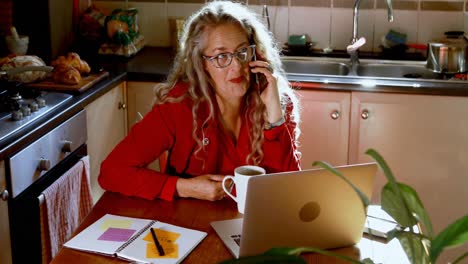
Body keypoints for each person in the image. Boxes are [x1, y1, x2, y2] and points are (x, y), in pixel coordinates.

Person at [98, 0, 301, 202]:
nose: (237, 67)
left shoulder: (274, 101)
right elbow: (112, 172)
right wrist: (183, 187)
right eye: (221, 56)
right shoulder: (178, 105)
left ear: (255, 53)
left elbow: (289, 188)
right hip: (189, 225)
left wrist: (275, 118)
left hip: (255, 222)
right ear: (201, 63)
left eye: (242, 52)